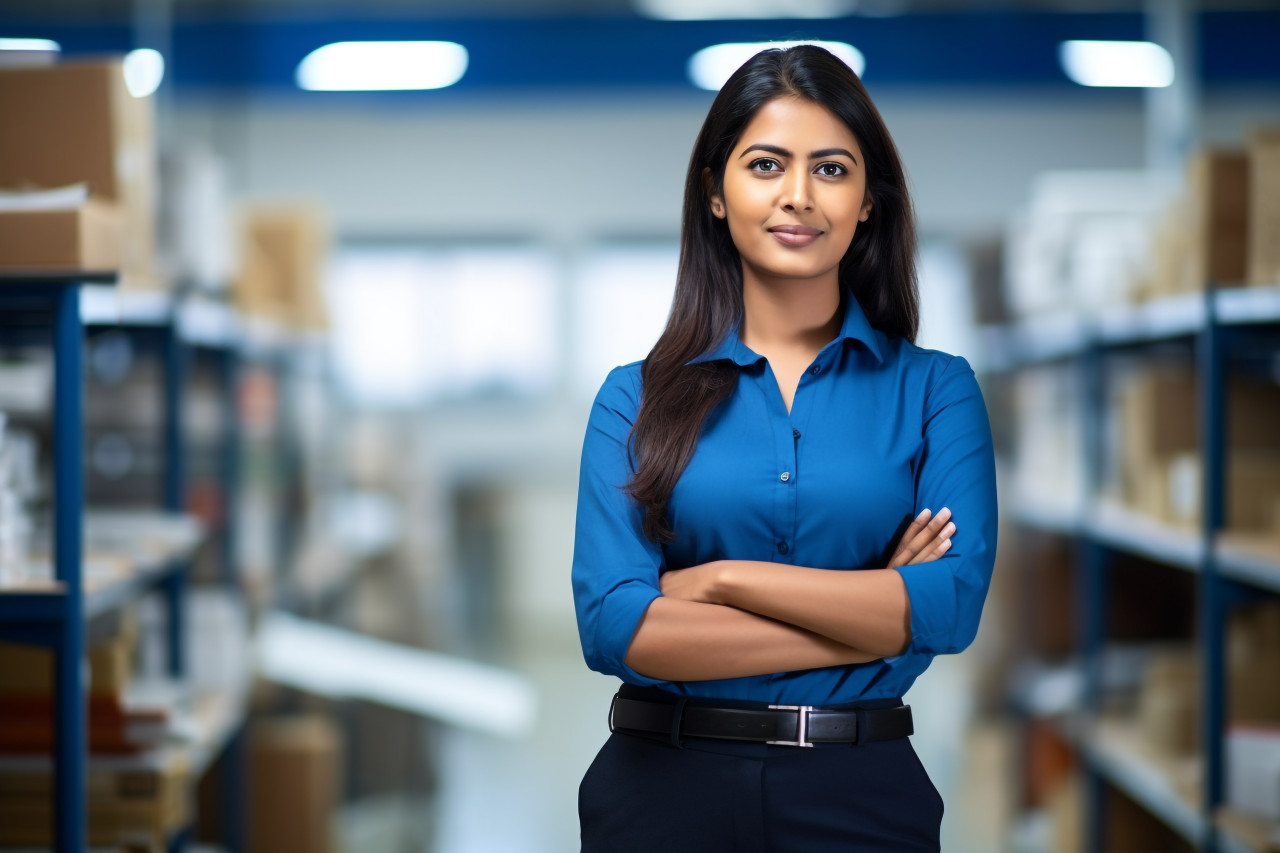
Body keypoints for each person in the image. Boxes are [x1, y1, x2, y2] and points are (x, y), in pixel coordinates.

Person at [571, 44, 997, 852]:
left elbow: (950, 604)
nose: (798, 196)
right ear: (715, 193)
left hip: (862, 795)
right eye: (766, 164)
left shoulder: (937, 389)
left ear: (869, 200)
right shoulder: (633, 398)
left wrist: (722, 581)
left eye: (832, 170)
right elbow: (618, 628)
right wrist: (877, 606)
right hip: (660, 793)